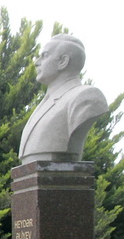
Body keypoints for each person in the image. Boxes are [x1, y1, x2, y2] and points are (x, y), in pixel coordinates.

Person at [18, 34, 109, 165]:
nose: (36, 62)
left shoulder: (86, 97)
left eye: (44, 56)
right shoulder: (45, 102)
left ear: (63, 61)